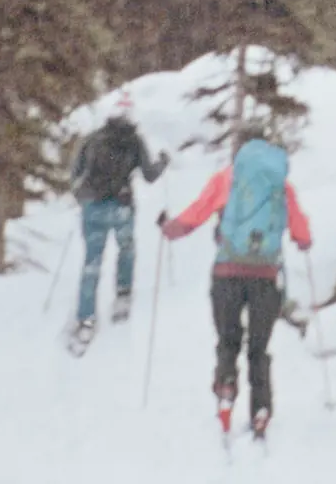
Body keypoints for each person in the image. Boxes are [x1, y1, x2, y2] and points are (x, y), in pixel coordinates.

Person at [161, 129, 311, 437]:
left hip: (227, 274)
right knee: (259, 348)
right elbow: (300, 230)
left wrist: (169, 227)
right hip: (266, 277)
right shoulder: (279, 185)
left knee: (228, 340)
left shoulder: (225, 179)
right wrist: (303, 241)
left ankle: (226, 389)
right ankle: (261, 408)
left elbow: (194, 216)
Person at [66, 90, 169, 347]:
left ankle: (86, 318)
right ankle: (123, 293)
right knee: (126, 249)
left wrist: (82, 197)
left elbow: (75, 171)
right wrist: (163, 162)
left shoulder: (92, 138)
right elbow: (150, 175)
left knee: (92, 261)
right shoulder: (134, 141)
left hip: (93, 206)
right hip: (121, 205)